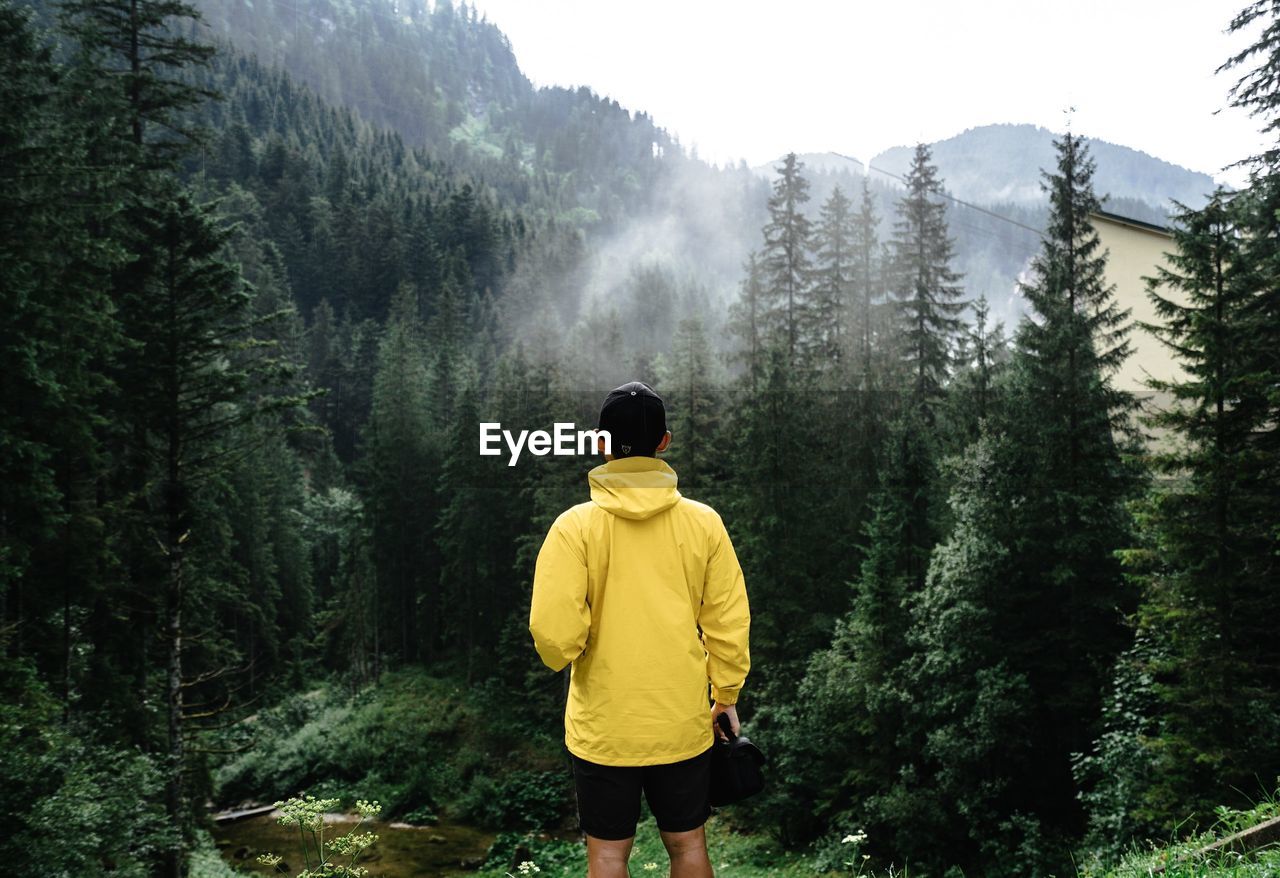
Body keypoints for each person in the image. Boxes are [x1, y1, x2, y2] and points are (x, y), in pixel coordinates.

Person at [529, 381, 751, 878]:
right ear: (664, 442)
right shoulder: (705, 524)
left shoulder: (572, 528)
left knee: (608, 856)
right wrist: (726, 694)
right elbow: (728, 622)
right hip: (681, 719)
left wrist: (579, 647)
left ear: (601, 444)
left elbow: (554, 636)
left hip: (603, 727)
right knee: (688, 846)